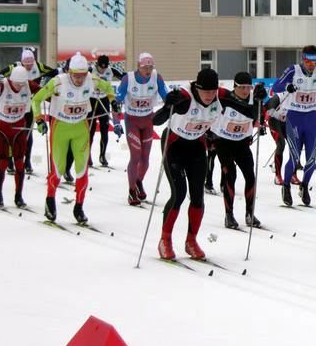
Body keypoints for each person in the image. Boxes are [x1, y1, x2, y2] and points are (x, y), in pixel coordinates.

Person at [31, 52, 115, 224]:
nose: (79, 79)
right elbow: (36, 100)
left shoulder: (92, 79)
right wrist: (39, 119)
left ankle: (79, 207)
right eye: (75, 76)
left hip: (80, 129)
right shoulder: (58, 81)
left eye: (82, 75)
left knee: (82, 170)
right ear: (69, 72)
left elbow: (109, 89)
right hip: (60, 128)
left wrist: (114, 101)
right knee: (58, 169)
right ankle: (50, 201)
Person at [153, 68, 222, 260]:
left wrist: (259, 98)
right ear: (197, 88)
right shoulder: (184, 97)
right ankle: (165, 240)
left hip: (196, 147)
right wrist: (168, 106)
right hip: (174, 146)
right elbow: (155, 121)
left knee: (198, 196)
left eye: (213, 91)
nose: (210, 95)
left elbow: (244, 105)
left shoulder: (219, 96)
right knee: (179, 194)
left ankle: (191, 241)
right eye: (205, 91)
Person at [271, 45, 316, 206]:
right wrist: (287, 87)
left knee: (311, 158)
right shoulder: (293, 70)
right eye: (308, 61)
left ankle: (304, 186)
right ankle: (286, 186)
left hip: (311, 118)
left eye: (315, 61)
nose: (312, 65)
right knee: (295, 156)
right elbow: (275, 87)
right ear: (303, 60)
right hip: (294, 117)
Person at [212, 72, 267, 229]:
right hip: (223, 141)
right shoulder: (225, 98)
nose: (245, 91)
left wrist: (260, 101)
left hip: (241, 143)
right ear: (235, 86)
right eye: (242, 87)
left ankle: (250, 213)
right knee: (230, 174)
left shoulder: (253, 99)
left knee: (250, 176)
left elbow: (259, 116)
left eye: (248, 87)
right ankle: (229, 215)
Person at [115, 53, 170, 205]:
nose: (148, 70)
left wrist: (172, 102)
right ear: (138, 66)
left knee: (145, 159)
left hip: (148, 120)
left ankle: (138, 182)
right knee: (136, 156)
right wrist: (116, 118)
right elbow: (117, 98)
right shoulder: (129, 78)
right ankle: (132, 191)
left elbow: (165, 94)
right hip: (132, 120)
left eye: (150, 67)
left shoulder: (156, 77)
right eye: (145, 67)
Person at [0, 66, 39, 208]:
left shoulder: (28, 84)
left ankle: (18, 196)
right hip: (3, 129)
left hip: (19, 129)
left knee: (20, 163)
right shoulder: (3, 85)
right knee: (3, 162)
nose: (19, 86)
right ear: (11, 80)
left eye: (21, 83)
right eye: (16, 83)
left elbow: (45, 93)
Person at [0, 48, 57, 175]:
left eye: (30, 64)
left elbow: (54, 72)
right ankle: (11, 162)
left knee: (28, 135)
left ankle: (27, 162)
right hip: (15, 105)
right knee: (13, 133)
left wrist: (45, 80)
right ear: (22, 62)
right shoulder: (14, 67)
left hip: (30, 105)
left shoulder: (39, 66)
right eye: (26, 65)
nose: (28, 67)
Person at [88, 54, 123, 167]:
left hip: (104, 100)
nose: (103, 70)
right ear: (97, 64)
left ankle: (102, 156)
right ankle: (87, 156)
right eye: (100, 67)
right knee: (90, 130)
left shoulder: (111, 70)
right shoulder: (90, 70)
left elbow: (125, 77)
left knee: (104, 129)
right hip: (92, 100)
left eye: (105, 67)